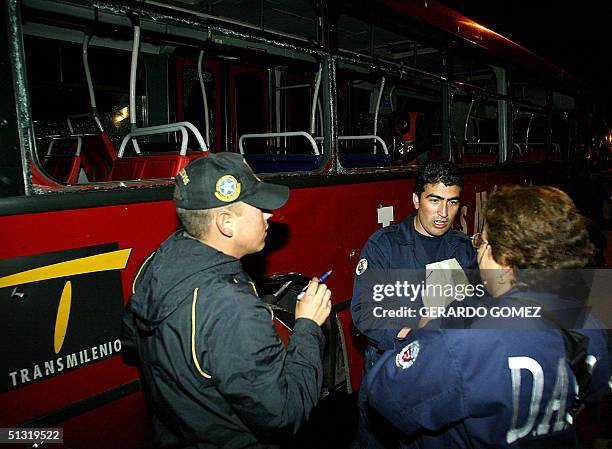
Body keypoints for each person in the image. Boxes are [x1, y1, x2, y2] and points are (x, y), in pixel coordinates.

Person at [365, 185, 611, 448]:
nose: (478, 253)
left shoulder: (466, 334)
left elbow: (386, 395)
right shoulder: (594, 327)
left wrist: (427, 328)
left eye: (482, 243)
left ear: (505, 263)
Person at [121, 152, 332, 448]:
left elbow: (132, 341)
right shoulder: (233, 308)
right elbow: (285, 414)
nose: (269, 215)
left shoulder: (155, 264)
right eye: (258, 207)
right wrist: (308, 325)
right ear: (226, 223)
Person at [350, 159, 478, 448]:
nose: (444, 213)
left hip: (441, 382)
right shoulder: (384, 246)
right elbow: (363, 314)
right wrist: (415, 332)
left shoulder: (460, 247)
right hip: (389, 375)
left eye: (452, 202)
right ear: (416, 199)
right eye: (435, 200)